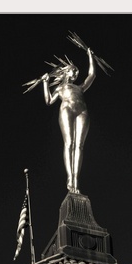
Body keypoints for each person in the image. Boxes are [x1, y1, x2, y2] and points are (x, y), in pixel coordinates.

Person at [41, 49, 95, 194]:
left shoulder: (80, 87)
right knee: (69, 143)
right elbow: (48, 101)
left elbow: (92, 75)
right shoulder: (60, 88)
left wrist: (90, 56)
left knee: (79, 146)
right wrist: (45, 83)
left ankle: (76, 180)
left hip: (82, 111)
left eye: (77, 72)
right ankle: (70, 177)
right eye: (73, 70)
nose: (75, 73)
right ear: (66, 72)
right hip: (67, 109)